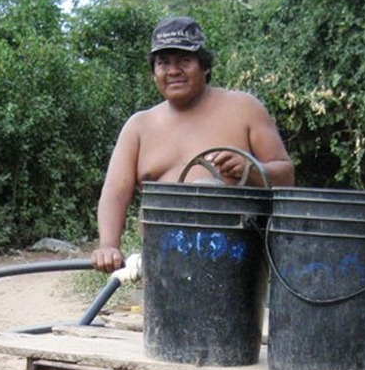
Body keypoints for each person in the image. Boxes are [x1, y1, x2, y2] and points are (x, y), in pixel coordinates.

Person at [91, 16, 295, 273]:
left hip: (235, 267)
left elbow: (286, 176)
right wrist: (108, 245)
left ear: (204, 66)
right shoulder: (139, 127)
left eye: (184, 60)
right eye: (163, 62)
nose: (173, 70)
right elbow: (115, 192)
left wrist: (250, 169)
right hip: (164, 269)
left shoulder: (244, 109)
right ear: (154, 72)